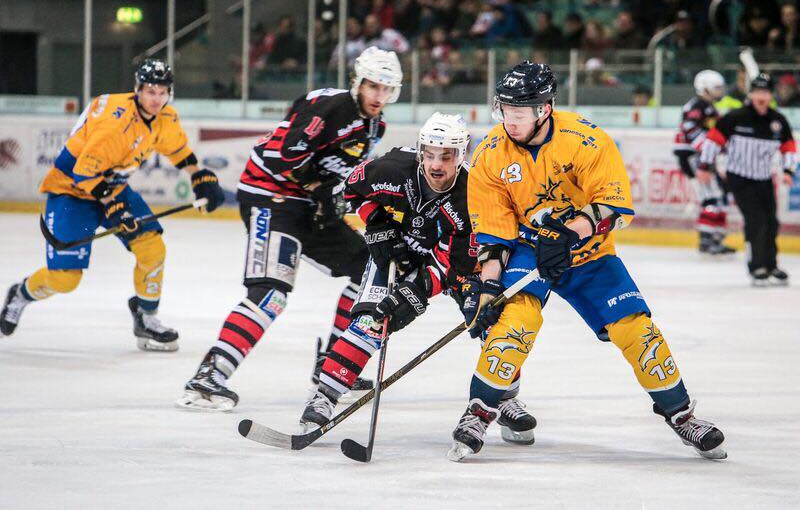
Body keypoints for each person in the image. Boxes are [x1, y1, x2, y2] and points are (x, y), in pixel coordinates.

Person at [447, 61, 726, 462]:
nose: (509, 120)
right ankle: (479, 411)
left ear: (545, 109)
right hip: (528, 250)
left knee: (637, 330)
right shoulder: (491, 154)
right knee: (516, 321)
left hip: (589, 252)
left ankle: (680, 414)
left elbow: (613, 206)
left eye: (519, 112)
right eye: (504, 110)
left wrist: (567, 234)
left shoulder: (585, 139)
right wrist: (490, 284)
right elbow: (494, 232)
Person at [176, 47, 403, 411]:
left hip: (305, 204)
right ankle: (210, 375)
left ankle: (332, 363)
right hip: (270, 196)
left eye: (386, 89)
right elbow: (287, 156)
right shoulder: (328, 105)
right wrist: (322, 190)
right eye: (373, 86)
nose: (378, 95)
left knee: (367, 268)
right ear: (358, 82)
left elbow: (338, 176)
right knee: (271, 292)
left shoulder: (376, 126)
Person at [299, 112, 537, 444]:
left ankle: (504, 397)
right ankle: (326, 394)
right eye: (430, 153)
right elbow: (351, 190)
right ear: (420, 150)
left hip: (453, 266)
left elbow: (453, 263)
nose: (437, 163)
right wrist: (378, 225)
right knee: (371, 319)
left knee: (489, 320)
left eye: (447, 155)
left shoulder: (473, 195)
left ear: (461, 155)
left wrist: (415, 291)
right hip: (396, 251)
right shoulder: (392, 169)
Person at [0, 60, 225, 350]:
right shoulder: (115, 124)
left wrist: (199, 177)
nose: (156, 99)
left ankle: (146, 316)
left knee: (152, 248)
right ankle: (20, 294)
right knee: (65, 279)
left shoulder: (165, 117)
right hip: (72, 191)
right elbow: (82, 171)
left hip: (112, 188)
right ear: (137, 90)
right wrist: (113, 206)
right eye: (150, 91)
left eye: (162, 92)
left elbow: (177, 149)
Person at [698, 73, 797, 286]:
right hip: (739, 178)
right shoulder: (735, 117)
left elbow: (788, 147)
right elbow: (712, 141)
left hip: (763, 179)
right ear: (751, 94)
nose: (761, 96)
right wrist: (705, 166)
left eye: (765, 92)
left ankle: (771, 265)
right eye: (757, 92)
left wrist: (788, 171)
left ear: (771, 95)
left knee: (771, 222)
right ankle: (756, 267)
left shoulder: (777, 121)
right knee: (756, 220)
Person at [673, 70, 735, 255]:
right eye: (716, 87)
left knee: (720, 195)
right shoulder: (696, 107)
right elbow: (691, 130)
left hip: (703, 157)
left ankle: (715, 237)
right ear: (704, 87)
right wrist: (710, 149)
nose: (720, 91)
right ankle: (707, 240)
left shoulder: (710, 108)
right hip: (693, 157)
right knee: (710, 197)